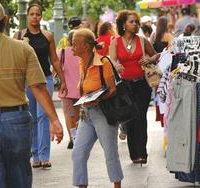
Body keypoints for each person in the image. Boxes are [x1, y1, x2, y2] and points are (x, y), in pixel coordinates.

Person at [0, 0, 63, 188]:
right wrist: (54, 120)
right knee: (19, 179)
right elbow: (38, 87)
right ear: (5, 20)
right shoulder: (23, 48)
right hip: (16, 121)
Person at [13, 3, 67, 169]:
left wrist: (63, 80)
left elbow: (54, 60)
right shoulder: (19, 36)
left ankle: (44, 155)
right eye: (32, 14)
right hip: (27, 81)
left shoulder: (48, 36)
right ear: (27, 16)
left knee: (43, 116)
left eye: (38, 14)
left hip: (45, 79)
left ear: (41, 16)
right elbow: (15, 60)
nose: (35, 17)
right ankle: (35, 154)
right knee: (31, 117)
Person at [71, 28, 123, 188]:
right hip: (86, 115)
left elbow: (112, 89)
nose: (71, 47)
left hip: (103, 113)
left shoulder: (103, 63)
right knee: (78, 153)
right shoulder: (81, 62)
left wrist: (98, 98)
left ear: (85, 46)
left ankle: (117, 185)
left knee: (110, 153)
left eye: (74, 44)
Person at [109, 10, 158, 164]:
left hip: (142, 83)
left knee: (141, 117)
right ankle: (134, 154)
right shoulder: (115, 42)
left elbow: (157, 55)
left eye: (137, 22)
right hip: (125, 86)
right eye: (132, 21)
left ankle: (142, 153)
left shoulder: (142, 40)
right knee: (129, 118)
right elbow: (111, 61)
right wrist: (116, 65)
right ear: (123, 24)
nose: (135, 24)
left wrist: (149, 58)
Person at [57, 30, 80, 149]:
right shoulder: (83, 52)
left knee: (69, 116)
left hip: (65, 89)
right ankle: (77, 137)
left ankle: (73, 137)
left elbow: (55, 68)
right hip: (81, 90)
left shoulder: (62, 52)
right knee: (79, 116)